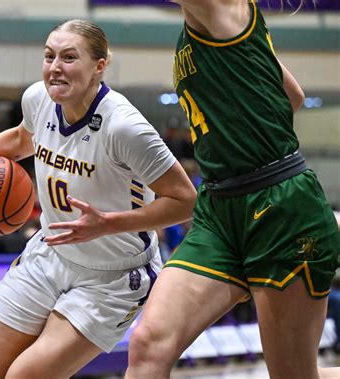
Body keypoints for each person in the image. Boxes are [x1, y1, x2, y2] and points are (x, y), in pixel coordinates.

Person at [0, 19, 196, 378]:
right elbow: (20, 139)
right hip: (50, 253)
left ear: (99, 66)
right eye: (49, 56)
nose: (55, 67)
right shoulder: (38, 99)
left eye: (69, 57)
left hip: (113, 277)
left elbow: (186, 200)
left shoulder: (125, 128)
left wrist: (108, 224)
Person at [126, 2, 340, 379]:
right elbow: (293, 95)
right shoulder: (224, 23)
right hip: (219, 212)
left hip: (280, 206)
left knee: (293, 375)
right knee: (148, 345)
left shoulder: (223, 8)